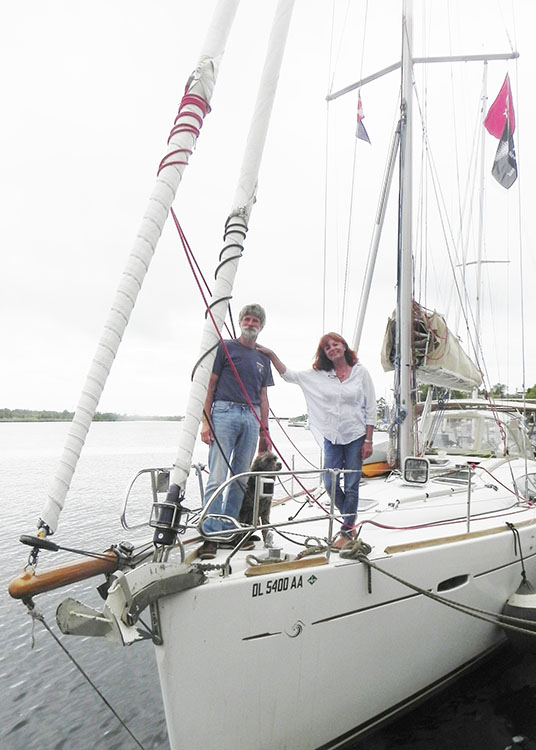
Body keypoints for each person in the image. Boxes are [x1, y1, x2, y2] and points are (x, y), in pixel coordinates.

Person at [257, 333, 376, 551]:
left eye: (335, 344)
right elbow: (288, 375)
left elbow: (371, 408)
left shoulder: (361, 372)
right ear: (324, 354)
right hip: (332, 437)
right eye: (327, 347)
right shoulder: (318, 375)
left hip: (356, 435)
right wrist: (271, 354)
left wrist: (369, 439)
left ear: (344, 346)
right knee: (329, 483)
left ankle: (347, 530)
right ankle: (350, 519)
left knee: (351, 485)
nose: (332, 349)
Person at [198, 304, 274, 559]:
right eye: (247, 319)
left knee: (241, 478)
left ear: (261, 326)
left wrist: (265, 431)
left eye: (256, 321)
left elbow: (264, 397)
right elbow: (210, 385)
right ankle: (211, 534)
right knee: (217, 476)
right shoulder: (225, 348)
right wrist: (205, 422)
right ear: (241, 321)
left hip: (251, 416)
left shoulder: (263, 358)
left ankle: (229, 531)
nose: (251, 323)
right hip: (224, 412)